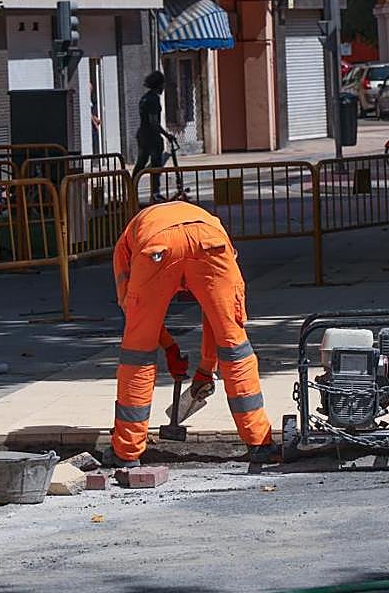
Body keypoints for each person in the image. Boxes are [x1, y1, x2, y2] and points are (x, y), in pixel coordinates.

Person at [109, 201, 277, 466]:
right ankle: (260, 443)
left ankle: (127, 452)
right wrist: (182, 355)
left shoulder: (125, 245)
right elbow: (216, 320)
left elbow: (137, 317)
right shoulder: (204, 221)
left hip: (157, 243)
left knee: (137, 353)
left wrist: (191, 362)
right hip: (210, 240)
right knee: (234, 344)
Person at [133, 71, 174, 200]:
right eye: (162, 84)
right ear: (158, 85)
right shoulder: (154, 99)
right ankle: (155, 192)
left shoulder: (144, 98)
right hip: (152, 137)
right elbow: (154, 122)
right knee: (156, 165)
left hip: (142, 135)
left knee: (141, 163)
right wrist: (166, 135)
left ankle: (131, 188)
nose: (163, 87)